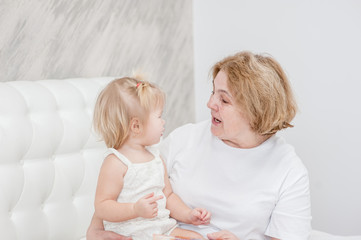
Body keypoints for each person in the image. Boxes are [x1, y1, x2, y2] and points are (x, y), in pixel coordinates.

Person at [87, 51, 312, 240]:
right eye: (213, 92)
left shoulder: (289, 171)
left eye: (224, 100)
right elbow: (129, 186)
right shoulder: (184, 138)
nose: (210, 103)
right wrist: (96, 230)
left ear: (256, 112)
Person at [91, 77, 211, 240]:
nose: (163, 122)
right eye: (159, 116)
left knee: (197, 237)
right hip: (129, 233)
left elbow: (168, 196)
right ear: (136, 126)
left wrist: (188, 215)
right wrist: (134, 209)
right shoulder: (116, 162)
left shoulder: (155, 157)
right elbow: (102, 206)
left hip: (161, 228)